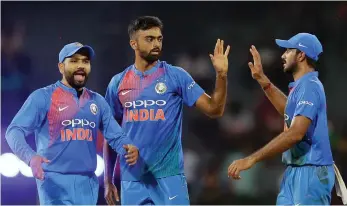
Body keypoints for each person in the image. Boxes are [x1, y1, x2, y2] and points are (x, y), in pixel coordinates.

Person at [103, 16, 230, 205]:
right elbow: (110, 133)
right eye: (149, 39)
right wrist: (108, 180)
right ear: (133, 44)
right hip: (133, 181)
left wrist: (221, 76)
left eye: (159, 39)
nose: (156, 44)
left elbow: (214, 110)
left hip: (169, 179)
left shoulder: (176, 76)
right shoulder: (118, 83)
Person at [5, 42, 139, 205]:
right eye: (74, 61)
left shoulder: (97, 102)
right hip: (54, 183)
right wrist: (30, 157)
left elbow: (116, 136)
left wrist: (128, 148)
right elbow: (13, 131)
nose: (81, 65)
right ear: (61, 67)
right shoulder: (43, 97)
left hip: (88, 185)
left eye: (85, 61)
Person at [228, 33, 335, 205]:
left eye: (288, 51)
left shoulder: (309, 87)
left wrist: (252, 159)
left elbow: (295, 134)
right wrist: (263, 81)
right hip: (295, 171)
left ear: (301, 55)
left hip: (310, 171)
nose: (283, 55)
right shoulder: (301, 86)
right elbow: (289, 111)